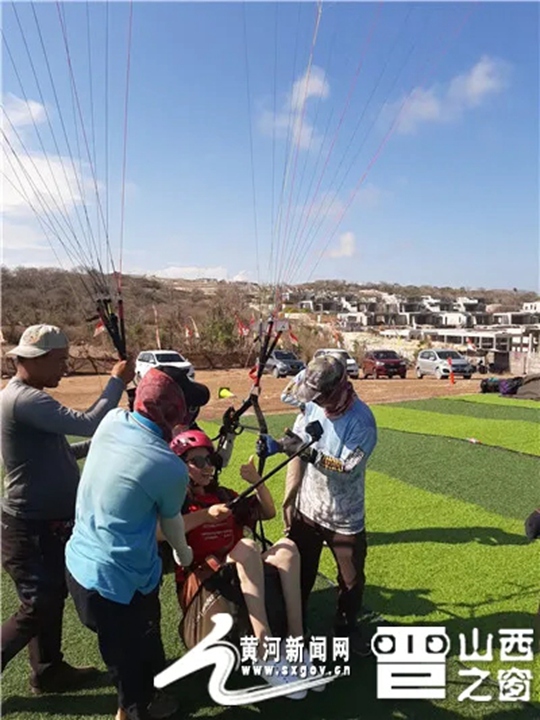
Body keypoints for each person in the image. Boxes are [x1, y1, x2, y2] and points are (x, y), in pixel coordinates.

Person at [65, 366, 210, 720]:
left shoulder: (113, 420)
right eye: (187, 409)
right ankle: (137, 708)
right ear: (176, 413)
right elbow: (172, 524)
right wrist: (184, 554)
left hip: (79, 565)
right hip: (117, 583)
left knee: (136, 645)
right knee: (128, 663)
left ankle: (149, 688)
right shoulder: (169, 467)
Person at [1, 323, 134, 693]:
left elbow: (61, 451)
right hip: (29, 527)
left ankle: (48, 671)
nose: (65, 367)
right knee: (38, 604)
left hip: (41, 523)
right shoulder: (26, 400)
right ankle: (46, 669)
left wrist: (101, 445)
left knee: (49, 597)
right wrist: (117, 381)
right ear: (36, 359)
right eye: (60, 360)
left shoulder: (24, 397)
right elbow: (88, 424)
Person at [169, 429, 321, 700]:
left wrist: (257, 481)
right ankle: (264, 650)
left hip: (239, 572)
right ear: (179, 466)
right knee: (248, 547)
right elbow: (161, 531)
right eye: (198, 461)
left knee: (287, 549)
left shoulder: (224, 495)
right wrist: (206, 515)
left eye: (210, 460)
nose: (208, 467)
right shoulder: (175, 503)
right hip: (204, 588)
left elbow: (268, 512)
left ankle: (296, 642)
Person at [277, 354, 378, 656]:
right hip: (308, 507)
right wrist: (277, 446)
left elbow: (347, 467)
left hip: (344, 517)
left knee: (351, 581)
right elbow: (288, 397)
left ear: (337, 389)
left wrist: (309, 454)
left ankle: (346, 629)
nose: (315, 402)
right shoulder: (312, 402)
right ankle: (295, 623)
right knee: (300, 572)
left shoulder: (362, 421)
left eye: (319, 396)